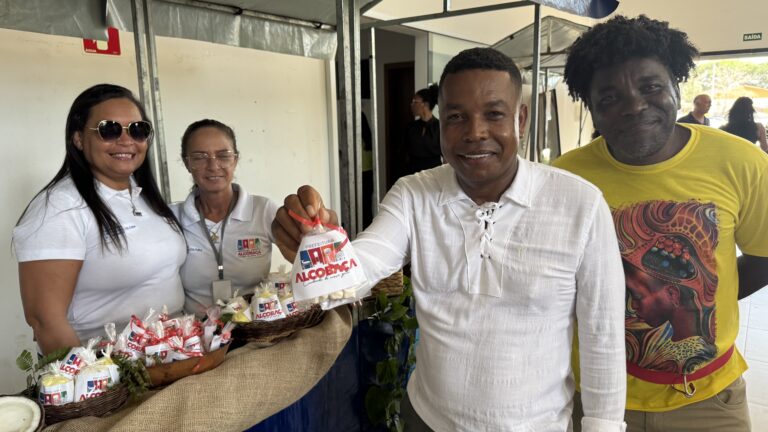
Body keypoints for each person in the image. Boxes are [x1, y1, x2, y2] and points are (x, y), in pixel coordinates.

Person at [273, 48, 627, 431]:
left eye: (494, 114)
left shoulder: (580, 204)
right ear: (440, 123)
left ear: (520, 119)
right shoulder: (414, 194)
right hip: (430, 420)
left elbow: (602, 336)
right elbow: (362, 267)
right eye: (456, 116)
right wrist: (317, 245)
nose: (475, 132)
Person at [554, 15, 768, 432]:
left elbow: (765, 254)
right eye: (610, 96)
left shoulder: (741, 162)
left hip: (710, 401)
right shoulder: (563, 178)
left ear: (676, 86)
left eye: (650, 87)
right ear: (592, 107)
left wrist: (706, 291)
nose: (634, 105)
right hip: (595, 400)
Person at [13, 84, 186, 354]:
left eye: (138, 130)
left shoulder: (142, 195)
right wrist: (96, 382)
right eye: (109, 129)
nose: (127, 141)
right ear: (79, 139)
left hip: (171, 353)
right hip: (113, 372)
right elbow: (45, 321)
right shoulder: (60, 208)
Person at [172, 119, 280, 317]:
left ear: (235, 160)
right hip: (197, 337)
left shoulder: (263, 210)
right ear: (187, 163)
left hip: (257, 331)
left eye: (223, 155)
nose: (213, 166)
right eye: (199, 157)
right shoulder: (172, 218)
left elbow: (300, 251)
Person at [405, 84, 441, 174]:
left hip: (434, 174)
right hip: (412, 174)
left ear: (425, 104)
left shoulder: (439, 127)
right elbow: (403, 153)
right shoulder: (410, 127)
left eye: (414, 102)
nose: (411, 104)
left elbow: (447, 156)